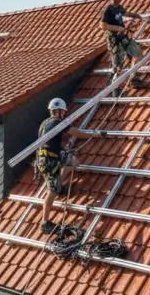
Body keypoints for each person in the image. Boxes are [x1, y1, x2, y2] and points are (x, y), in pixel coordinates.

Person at [37, 98, 103, 234]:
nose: (64, 114)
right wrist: (94, 134)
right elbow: (76, 133)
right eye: (63, 112)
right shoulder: (57, 122)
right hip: (50, 159)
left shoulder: (45, 122)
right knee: (52, 190)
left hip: (44, 157)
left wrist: (63, 151)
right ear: (60, 111)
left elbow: (50, 142)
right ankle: (45, 222)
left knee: (73, 161)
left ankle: (60, 183)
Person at [100, 0, 147, 94]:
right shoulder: (108, 9)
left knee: (137, 53)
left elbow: (125, 13)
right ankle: (115, 89)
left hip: (123, 36)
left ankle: (133, 78)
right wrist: (118, 28)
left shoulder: (119, 7)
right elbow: (102, 25)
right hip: (115, 40)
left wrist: (136, 16)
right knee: (118, 66)